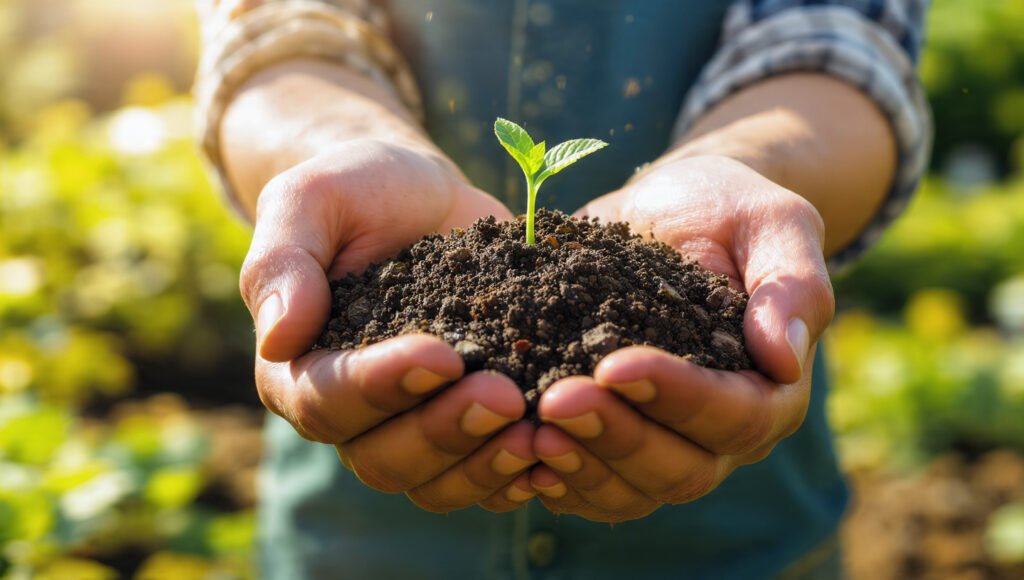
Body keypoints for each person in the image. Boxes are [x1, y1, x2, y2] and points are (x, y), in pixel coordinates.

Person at [194, 1, 931, 577]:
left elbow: (835, 44)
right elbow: (280, 30)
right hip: (359, 550)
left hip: (728, 549)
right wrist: (334, 146)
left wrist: (748, 164)